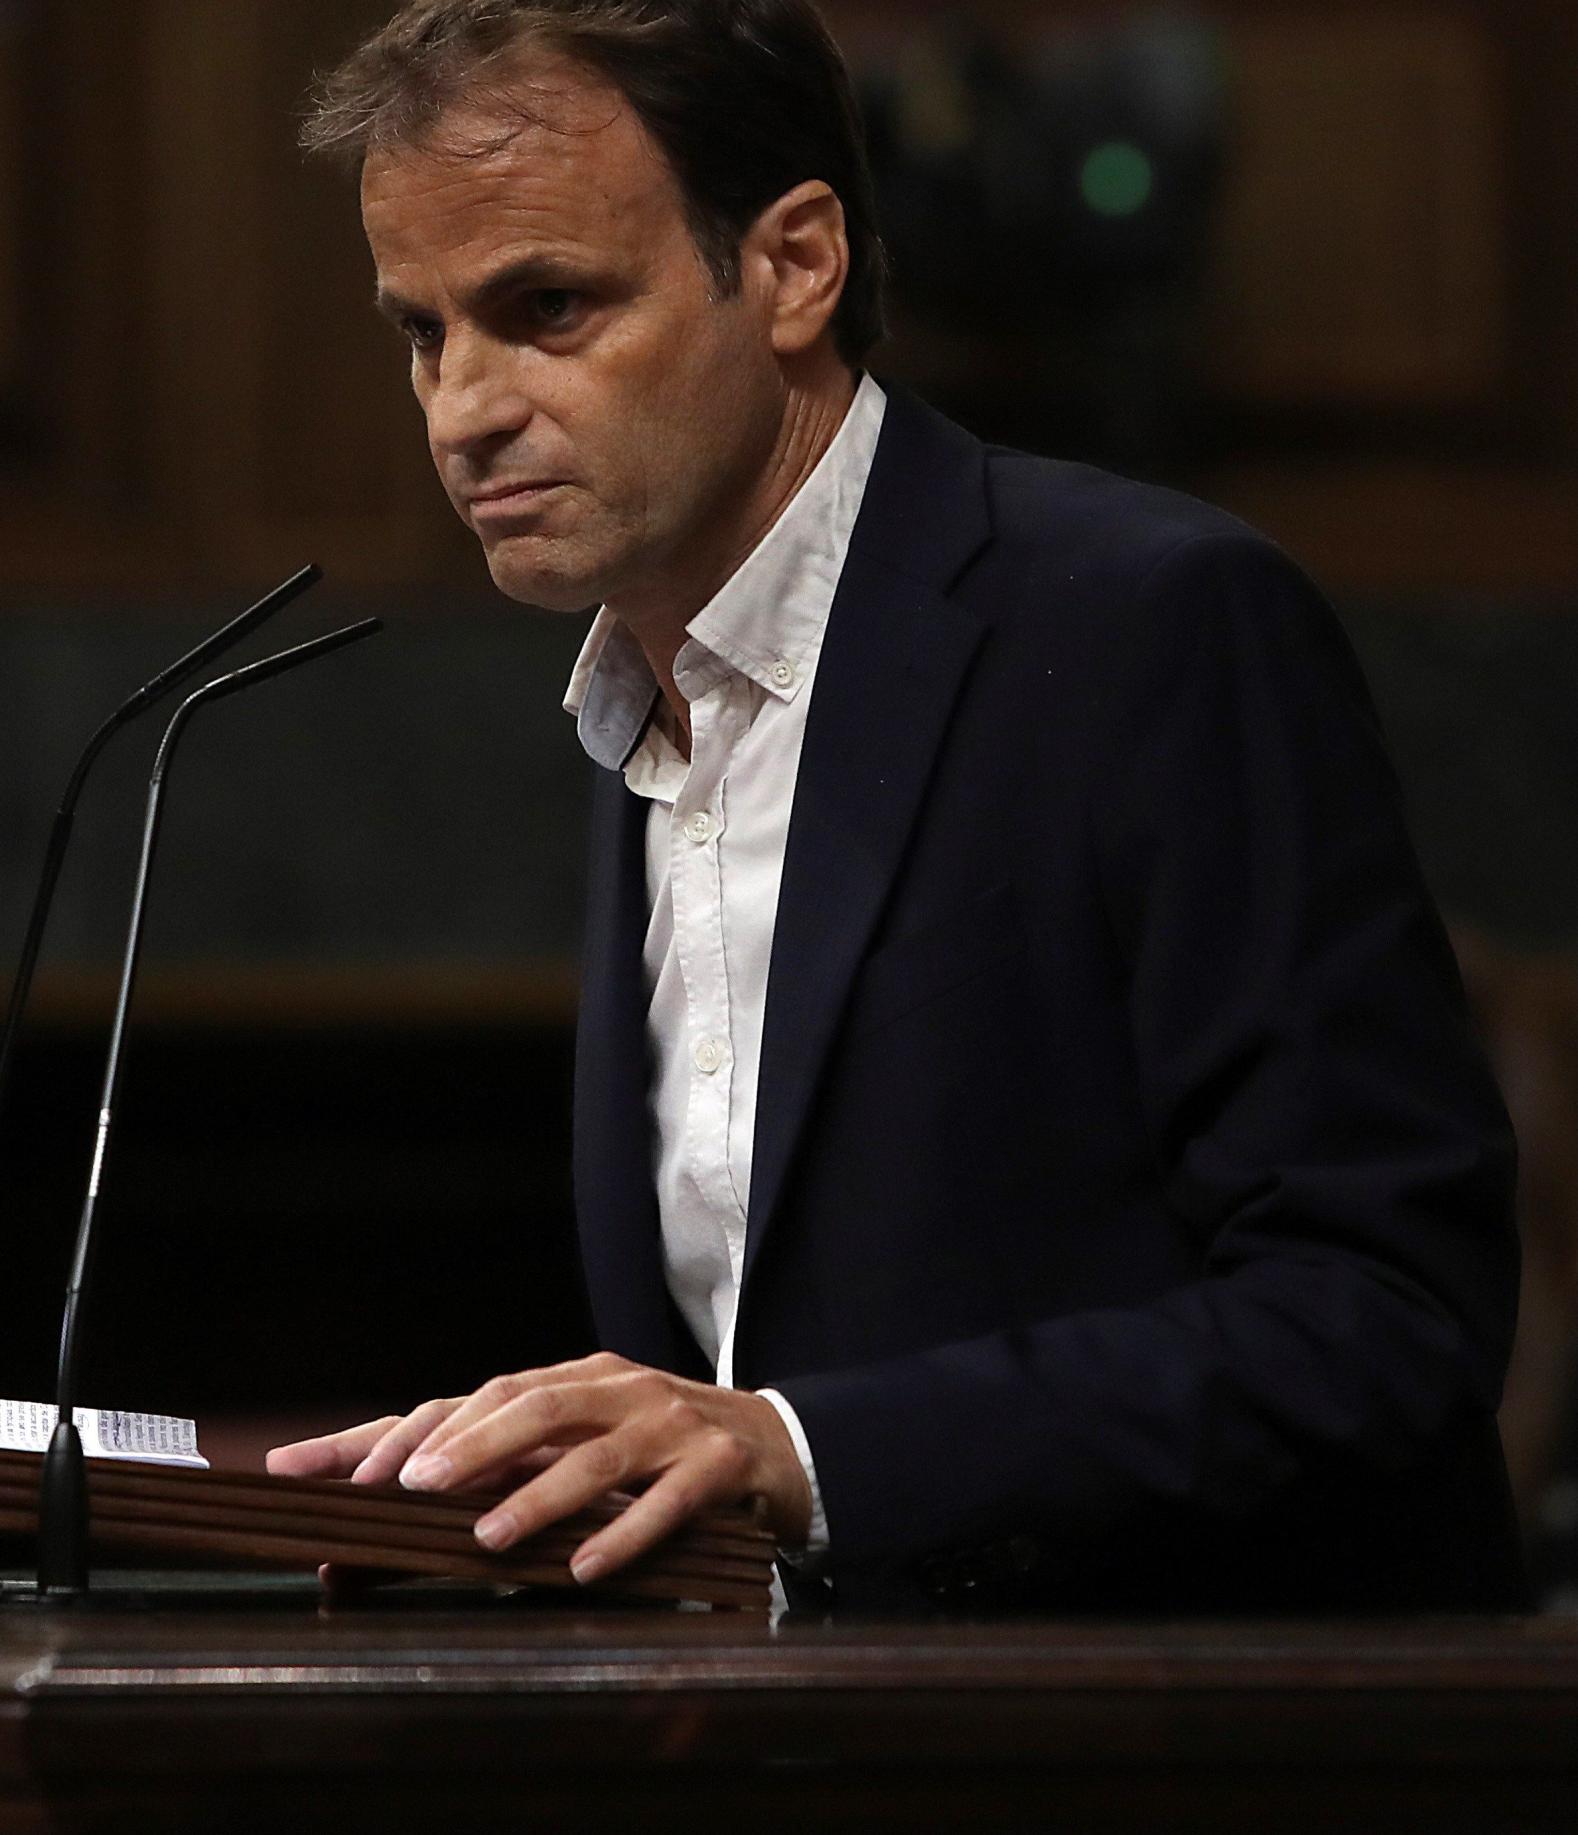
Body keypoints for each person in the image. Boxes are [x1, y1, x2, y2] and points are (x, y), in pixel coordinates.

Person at [267, 0, 1525, 1613]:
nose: (462, 409)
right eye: (423, 332)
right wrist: (535, 1482)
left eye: (549, 307)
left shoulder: (1147, 625)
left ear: (794, 265)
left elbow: (1384, 1314)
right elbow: (746, 1353)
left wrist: (798, 1453)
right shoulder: (651, 689)